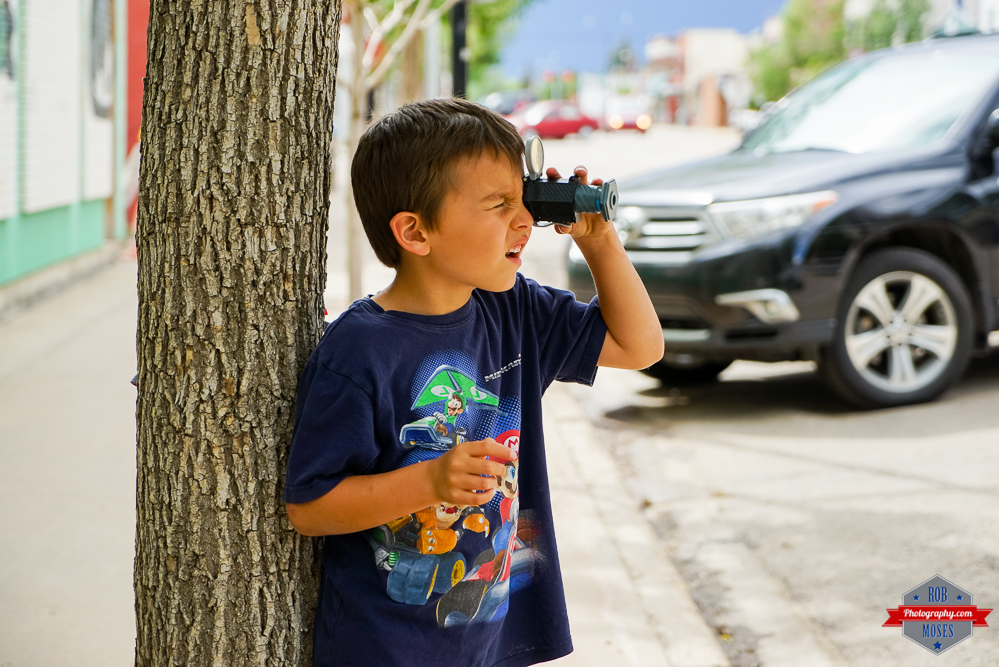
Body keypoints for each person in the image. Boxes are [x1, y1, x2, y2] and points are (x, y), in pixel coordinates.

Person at [283, 98, 663, 667]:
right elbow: (310, 506)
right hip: (385, 649)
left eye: (524, 200)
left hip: (486, 635)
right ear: (415, 232)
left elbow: (639, 346)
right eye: (498, 204)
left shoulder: (513, 309)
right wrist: (429, 482)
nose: (524, 220)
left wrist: (599, 241)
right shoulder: (359, 352)